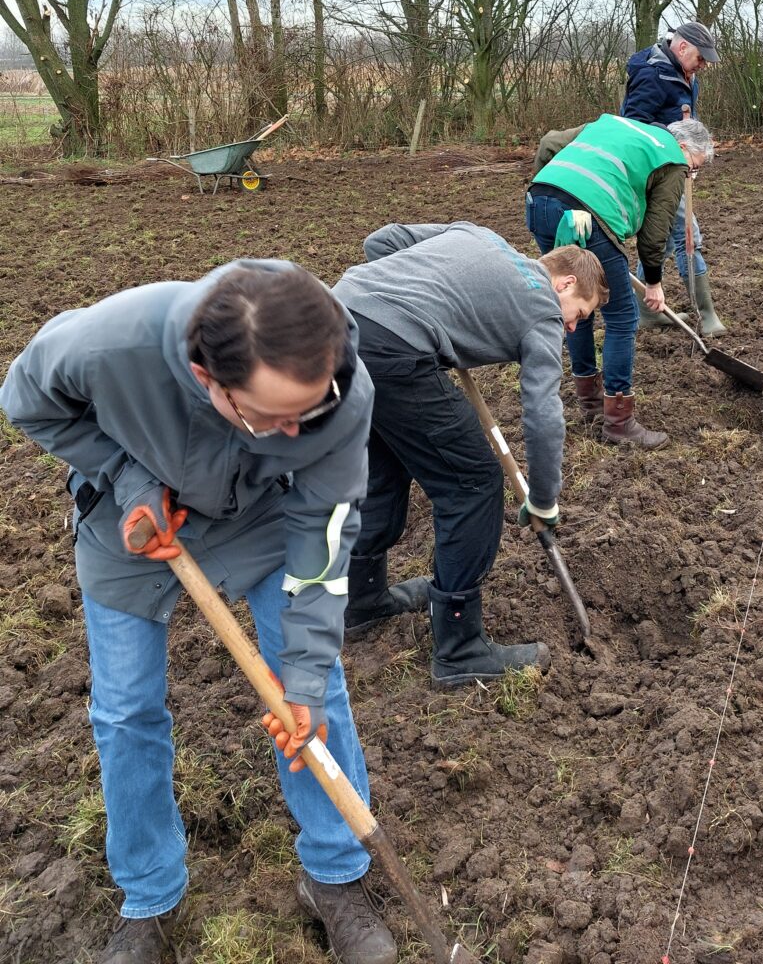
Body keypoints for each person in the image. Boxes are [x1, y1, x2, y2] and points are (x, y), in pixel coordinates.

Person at [0, 263, 397, 964]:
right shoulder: (105, 346)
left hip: (265, 518)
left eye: (310, 411)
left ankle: (336, 875)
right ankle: (149, 895)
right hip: (133, 523)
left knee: (311, 688)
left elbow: (324, 534)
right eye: (270, 417)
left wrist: (300, 682)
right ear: (204, 375)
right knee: (125, 709)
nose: (294, 430)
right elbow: (26, 401)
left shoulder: (343, 387)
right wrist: (127, 477)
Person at [333, 223, 606, 684]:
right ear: (565, 282)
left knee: (386, 469)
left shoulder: (479, 236)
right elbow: (542, 414)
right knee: (472, 483)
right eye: (579, 314)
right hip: (395, 351)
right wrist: (543, 499)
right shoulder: (542, 309)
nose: (573, 326)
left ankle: (361, 602)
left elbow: (380, 242)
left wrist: (425, 308)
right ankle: (459, 650)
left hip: (336, 325)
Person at [526, 113, 715, 450]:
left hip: (540, 200)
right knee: (622, 317)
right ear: (683, 146)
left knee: (574, 302)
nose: (691, 174)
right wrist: (654, 282)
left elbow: (550, 142)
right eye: (694, 167)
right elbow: (656, 232)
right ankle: (618, 422)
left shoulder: (612, 123)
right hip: (593, 214)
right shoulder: (671, 160)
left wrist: (555, 193)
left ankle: (589, 402)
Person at [620, 18, 726, 336]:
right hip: (657, 169)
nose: (703, 65)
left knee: (664, 239)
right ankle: (705, 314)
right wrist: (674, 144)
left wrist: (691, 149)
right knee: (687, 235)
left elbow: (685, 118)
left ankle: (646, 312)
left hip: (675, 165)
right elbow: (633, 126)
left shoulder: (686, 75)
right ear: (682, 47)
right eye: (700, 57)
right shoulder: (653, 75)